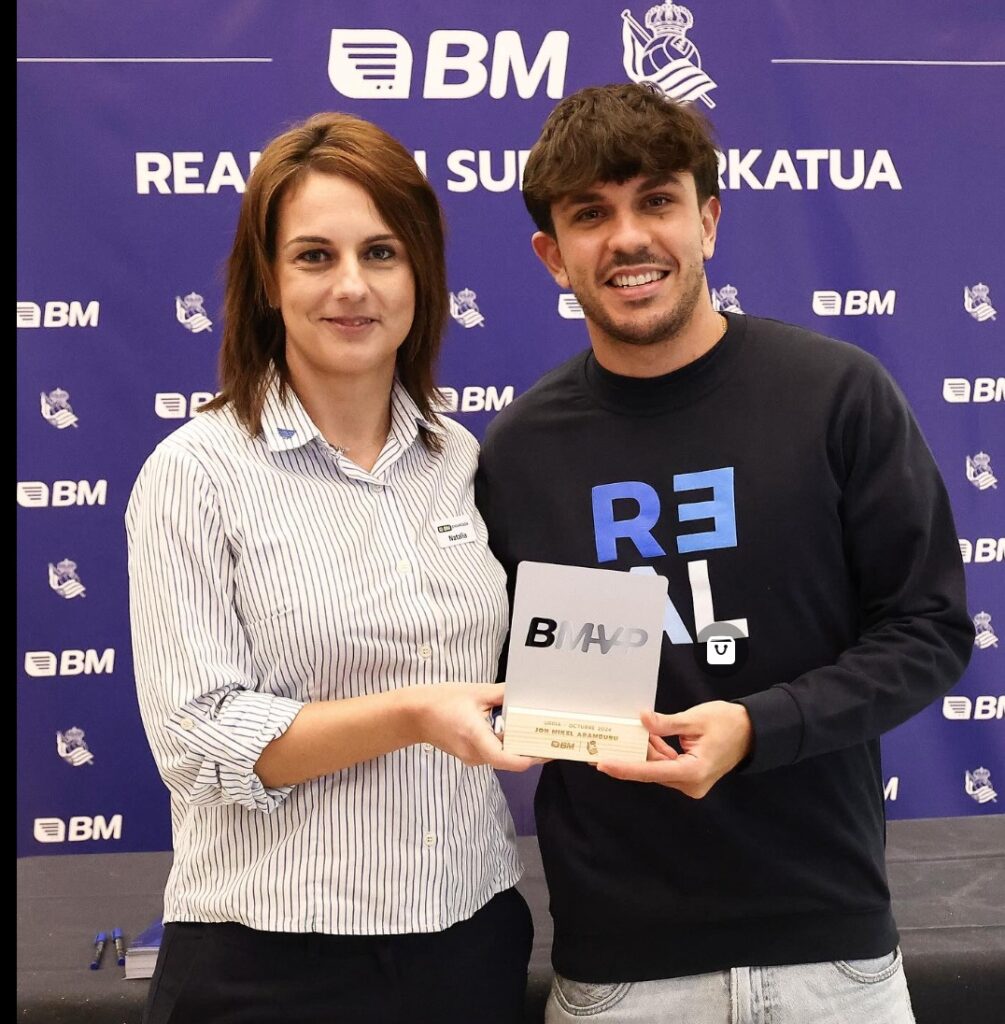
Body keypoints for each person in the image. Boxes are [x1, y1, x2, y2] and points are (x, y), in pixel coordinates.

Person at [475, 83, 974, 1023]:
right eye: (590, 214)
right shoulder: (518, 452)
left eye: (656, 201)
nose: (627, 238)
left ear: (706, 220)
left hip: (833, 958)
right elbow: (499, 675)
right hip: (619, 972)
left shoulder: (836, 394)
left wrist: (756, 727)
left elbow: (928, 630)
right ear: (552, 255)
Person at [126, 111, 537, 1024]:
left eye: (381, 253)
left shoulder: (459, 459)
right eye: (315, 256)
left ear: (420, 275)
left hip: (468, 939)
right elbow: (198, 743)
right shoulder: (195, 473)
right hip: (270, 962)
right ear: (268, 281)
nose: (352, 285)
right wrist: (412, 715)